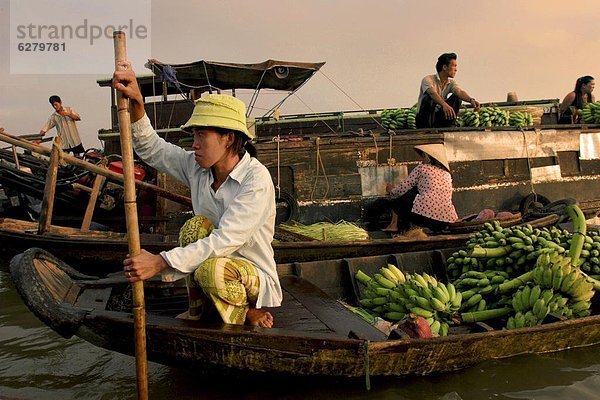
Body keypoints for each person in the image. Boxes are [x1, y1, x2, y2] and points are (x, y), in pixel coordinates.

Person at [113, 62, 280, 328]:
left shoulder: (255, 179)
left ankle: (245, 314)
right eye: (194, 135)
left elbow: (226, 239)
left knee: (212, 270)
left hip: (250, 275)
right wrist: (137, 103)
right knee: (194, 228)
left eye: (201, 135)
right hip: (212, 267)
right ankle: (198, 308)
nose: (195, 144)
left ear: (228, 138)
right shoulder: (198, 167)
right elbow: (152, 148)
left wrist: (160, 261)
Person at [383, 144, 458, 235]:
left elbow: (403, 188)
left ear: (427, 157)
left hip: (424, 215)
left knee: (399, 198)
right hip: (445, 220)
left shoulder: (422, 168)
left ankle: (393, 225)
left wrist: (392, 191)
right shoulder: (447, 174)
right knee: (416, 192)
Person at [416, 53, 480, 129]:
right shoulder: (428, 79)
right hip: (424, 119)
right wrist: (444, 104)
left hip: (438, 118)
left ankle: (449, 125)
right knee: (429, 98)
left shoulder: (451, 82)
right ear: (445, 67)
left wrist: (471, 100)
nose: (456, 69)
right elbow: (432, 93)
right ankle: (427, 129)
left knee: (457, 97)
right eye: (454, 66)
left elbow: (459, 92)